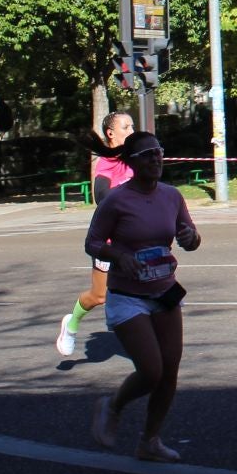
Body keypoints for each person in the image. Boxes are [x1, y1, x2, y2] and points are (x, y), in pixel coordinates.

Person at [85, 131, 200, 462]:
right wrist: (119, 256)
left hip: (164, 290)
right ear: (133, 163)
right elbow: (92, 243)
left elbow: (190, 239)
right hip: (127, 295)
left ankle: (150, 441)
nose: (156, 159)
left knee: (170, 371)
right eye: (148, 155)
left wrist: (191, 238)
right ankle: (113, 406)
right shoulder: (117, 200)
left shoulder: (172, 196)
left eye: (159, 152)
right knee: (151, 371)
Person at [56, 111, 135, 356]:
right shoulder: (105, 165)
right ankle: (71, 324)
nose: (132, 131)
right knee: (99, 296)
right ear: (111, 134)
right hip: (109, 242)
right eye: (126, 127)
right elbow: (101, 199)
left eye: (133, 126)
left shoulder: (134, 158)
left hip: (135, 239)